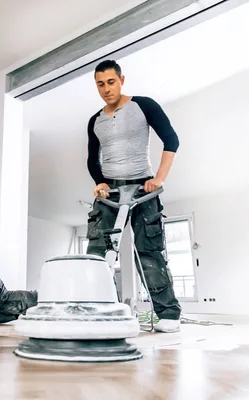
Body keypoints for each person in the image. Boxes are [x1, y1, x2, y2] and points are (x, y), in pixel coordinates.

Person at [85, 59, 182, 333]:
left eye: (111, 82)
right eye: (100, 84)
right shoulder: (95, 120)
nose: (106, 89)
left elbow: (171, 139)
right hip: (109, 193)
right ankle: (97, 312)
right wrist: (100, 181)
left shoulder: (144, 105)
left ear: (122, 80)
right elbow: (93, 160)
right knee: (97, 253)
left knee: (150, 251)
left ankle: (168, 314)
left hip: (143, 188)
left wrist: (159, 179)